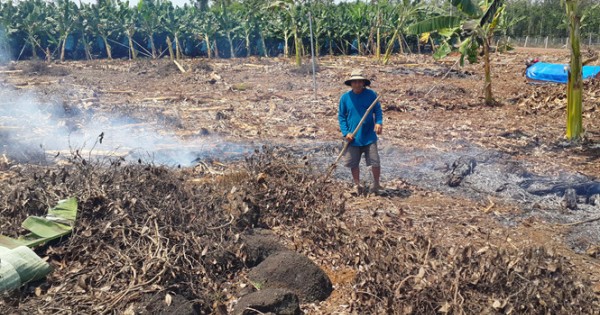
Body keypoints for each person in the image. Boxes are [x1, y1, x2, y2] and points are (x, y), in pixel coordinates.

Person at [338, 69, 383, 194]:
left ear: (363, 83)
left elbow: (377, 110)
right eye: (355, 82)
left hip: (369, 135)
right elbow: (341, 117)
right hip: (353, 137)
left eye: (360, 82)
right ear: (351, 83)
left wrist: (379, 122)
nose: (357, 84)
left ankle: (376, 184)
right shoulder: (345, 98)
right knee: (353, 163)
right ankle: (357, 184)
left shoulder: (371, 95)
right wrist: (346, 132)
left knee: (375, 161)